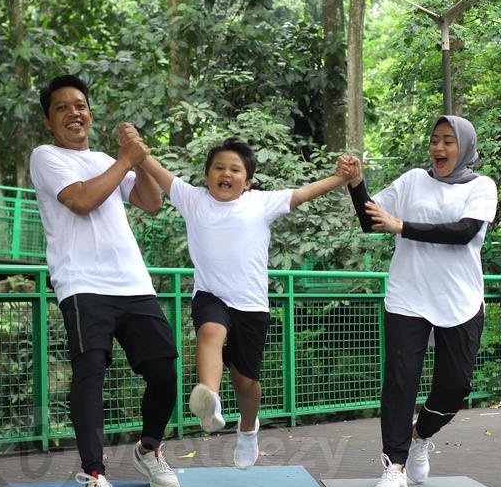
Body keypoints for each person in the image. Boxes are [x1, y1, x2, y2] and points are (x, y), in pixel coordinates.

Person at [126, 128, 351, 469]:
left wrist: (338, 177)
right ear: (206, 176)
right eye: (218, 167)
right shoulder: (192, 198)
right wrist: (135, 146)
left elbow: (303, 194)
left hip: (251, 304)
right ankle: (210, 399)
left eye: (235, 169)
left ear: (247, 181)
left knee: (246, 383)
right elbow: (154, 168)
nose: (226, 174)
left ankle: (248, 429)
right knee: (210, 332)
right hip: (211, 294)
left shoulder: (260, 203)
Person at [29, 75, 180, 487]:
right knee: (90, 373)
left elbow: (150, 201)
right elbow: (81, 201)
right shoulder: (46, 157)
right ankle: (95, 478)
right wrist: (125, 160)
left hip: (132, 281)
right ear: (48, 121)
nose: (74, 113)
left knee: (165, 370)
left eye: (80, 105)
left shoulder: (104, 159)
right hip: (80, 283)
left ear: (90, 113)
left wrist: (141, 157)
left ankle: (148, 450)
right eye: (62, 108)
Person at [340, 116, 497, 487]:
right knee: (399, 381)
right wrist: (356, 184)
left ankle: (420, 435)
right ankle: (393, 468)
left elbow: (463, 233)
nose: (439, 149)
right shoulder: (412, 180)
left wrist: (402, 226)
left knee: (455, 385)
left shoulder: (482, 186)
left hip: (459, 299)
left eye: (448, 142)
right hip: (408, 296)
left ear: (464, 147)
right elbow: (370, 220)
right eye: (434, 141)